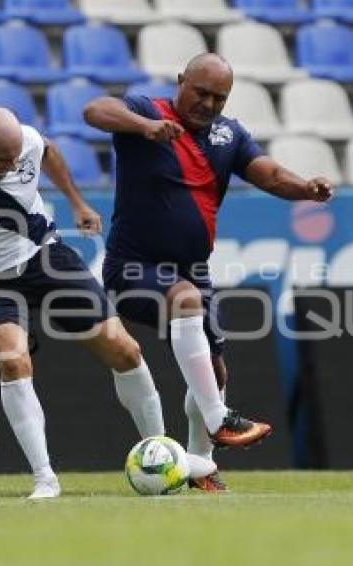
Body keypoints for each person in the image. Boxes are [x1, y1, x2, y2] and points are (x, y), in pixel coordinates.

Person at [0, 108, 219, 499]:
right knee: (13, 360)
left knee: (124, 349)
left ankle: (160, 452)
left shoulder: (27, 143)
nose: (14, 166)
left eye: (17, 158)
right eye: (2, 160)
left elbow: (48, 152)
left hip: (42, 257)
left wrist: (76, 202)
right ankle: (45, 478)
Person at [84, 53, 335, 492]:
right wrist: (144, 129)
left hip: (192, 270)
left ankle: (201, 465)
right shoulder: (147, 111)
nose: (209, 103)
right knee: (186, 301)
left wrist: (305, 189)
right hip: (132, 266)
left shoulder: (228, 134)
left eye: (219, 97)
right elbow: (94, 111)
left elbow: (271, 175)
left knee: (215, 373)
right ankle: (220, 419)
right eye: (201, 92)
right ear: (181, 81)